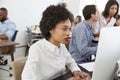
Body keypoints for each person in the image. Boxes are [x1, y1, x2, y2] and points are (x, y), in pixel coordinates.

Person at [22, 3, 91, 80]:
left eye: (69, 29)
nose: (69, 33)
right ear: (51, 28)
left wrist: (77, 71)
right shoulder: (36, 49)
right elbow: (26, 78)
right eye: (64, 29)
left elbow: (70, 62)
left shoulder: (61, 46)